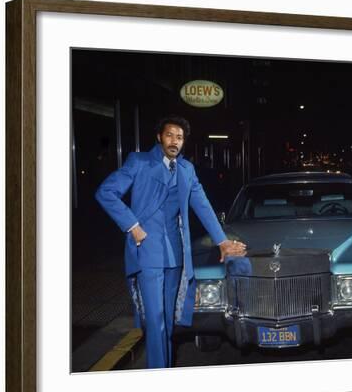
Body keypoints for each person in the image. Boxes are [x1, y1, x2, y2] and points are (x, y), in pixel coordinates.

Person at [95, 115, 246, 368]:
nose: (174, 141)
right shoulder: (140, 162)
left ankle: (163, 369)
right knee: (155, 320)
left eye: (179, 137)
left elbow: (203, 206)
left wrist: (222, 241)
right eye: (169, 135)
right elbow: (105, 192)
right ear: (159, 137)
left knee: (167, 320)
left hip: (176, 255)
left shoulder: (187, 169)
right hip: (147, 252)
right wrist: (132, 226)